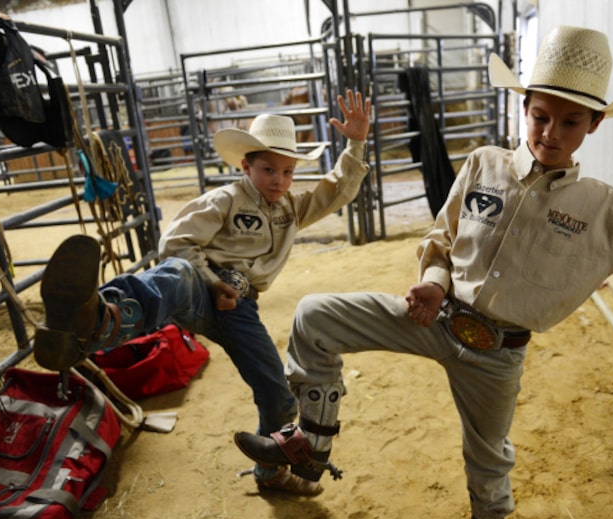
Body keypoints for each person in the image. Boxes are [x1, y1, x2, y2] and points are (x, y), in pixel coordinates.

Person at [233, 26, 613, 519]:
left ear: (595, 123)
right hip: (435, 316)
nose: (551, 133)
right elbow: (442, 237)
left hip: (497, 353)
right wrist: (432, 282)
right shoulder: (483, 164)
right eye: (540, 115)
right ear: (525, 108)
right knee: (315, 315)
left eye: (570, 122)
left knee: (488, 450)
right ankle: (310, 444)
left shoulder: (604, 212)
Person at [33, 89, 372, 495]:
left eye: (286, 172)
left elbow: (336, 190)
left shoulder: (290, 210)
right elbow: (174, 245)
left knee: (278, 395)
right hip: (200, 288)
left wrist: (356, 142)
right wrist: (216, 282)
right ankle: (99, 321)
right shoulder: (225, 199)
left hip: (241, 309)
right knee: (174, 274)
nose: (278, 180)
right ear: (246, 166)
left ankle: (271, 473)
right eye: (267, 170)